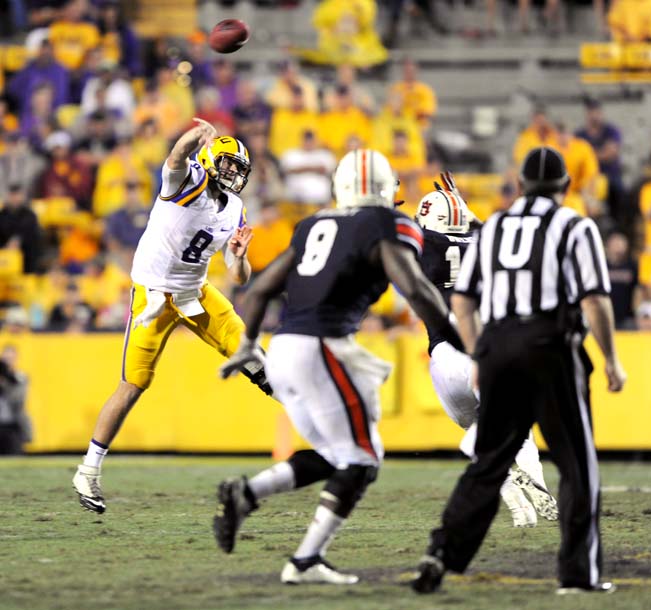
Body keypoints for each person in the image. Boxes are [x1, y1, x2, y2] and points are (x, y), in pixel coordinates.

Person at [216, 149, 450, 584]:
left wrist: (248, 345)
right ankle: (305, 561)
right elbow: (415, 288)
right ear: (385, 188)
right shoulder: (384, 224)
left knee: (336, 455)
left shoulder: (314, 224)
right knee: (363, 460)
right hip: (322, 347)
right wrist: (453, 337)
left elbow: (261, 288)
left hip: (283, 347)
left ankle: (248, 496)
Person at [412, 146, 626, 595]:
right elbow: (595, 299)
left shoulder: (495, 229)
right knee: (577, 466)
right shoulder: (574, 225)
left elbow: (463, 302)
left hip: (498, 349)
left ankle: (441, 553)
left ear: (522, 186)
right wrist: (610, 358)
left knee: (487, 463)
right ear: (566, 188)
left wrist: (479, 353)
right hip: (552, 349)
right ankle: (577, 576)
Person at [72, 119, 272, 514]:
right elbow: (176, 156)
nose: (234, 174)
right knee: (133, 384)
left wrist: (242, 255)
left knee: (255, 356)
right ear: (212, 159)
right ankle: (88, 470)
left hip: (196, 290)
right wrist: (196, 136)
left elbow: (238, 274)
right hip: (154, 295)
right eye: (228, 164)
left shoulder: (234, 208)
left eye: (239, 169)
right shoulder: (187, 181)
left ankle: (326, 439)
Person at [415, 176, 557, 528]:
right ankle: (533, 477)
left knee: (487, 432)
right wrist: (460, 205)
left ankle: (519, 510)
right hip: (482, 351)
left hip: (443, 361)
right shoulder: (486, 238)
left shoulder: (421, 241)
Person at [0, 344, 32, 455]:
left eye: (10, 359)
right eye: (5, 359)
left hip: (13, 426)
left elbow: (17, 399)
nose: (8, 362)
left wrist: (7, 380)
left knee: (14, 458)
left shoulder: (20, 377)